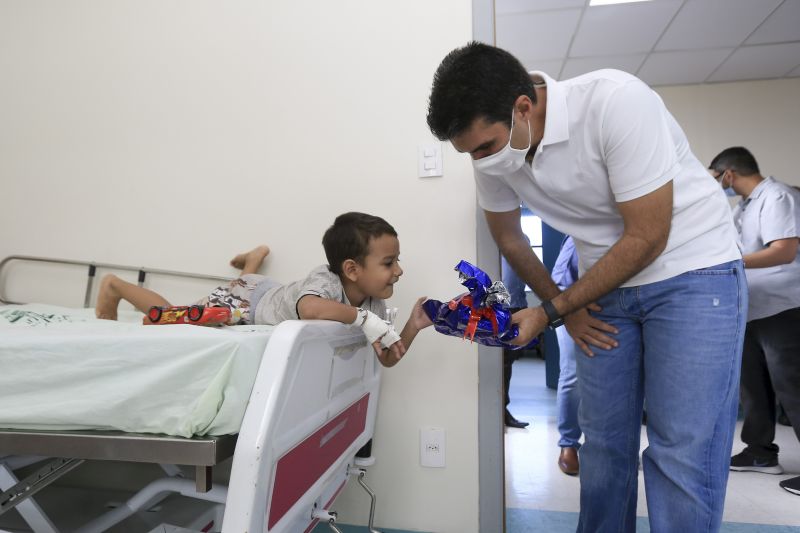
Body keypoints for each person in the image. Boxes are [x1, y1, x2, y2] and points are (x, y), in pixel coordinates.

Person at [427, 42, 745, 532]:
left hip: (693, 275)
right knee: (604, 445)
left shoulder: (615, 102)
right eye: (470, 153)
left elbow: (648, 236)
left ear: (523, 107)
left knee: (681, 450)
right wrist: (562, 307)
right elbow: (509, 237)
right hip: (605, 289)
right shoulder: (496, 154)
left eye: (486, 147)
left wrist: (552, 312)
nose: (482, 162)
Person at [96, 212, 432, 368]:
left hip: (266, 292)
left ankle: (252, 261)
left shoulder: (371, 305)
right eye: (389, 263)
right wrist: (364, 320)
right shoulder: (325, 281)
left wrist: (412, 327)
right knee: (175, 315)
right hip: (244, 299)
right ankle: (116, 286)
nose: (399, 270)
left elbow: (387, 358)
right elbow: (311, 310)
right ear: (351, 270)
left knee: (254, 293)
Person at [709, 147, 800, 496]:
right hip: (752, 309)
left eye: (717, 178)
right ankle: (760, 453)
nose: (717, 185)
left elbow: (784, 251)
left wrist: (731, 263)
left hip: (783, 309)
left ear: (728, 174)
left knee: (793, 388)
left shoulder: (777, 197)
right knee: (753, 387)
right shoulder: (744, 207)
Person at [551, 236, 581, 476]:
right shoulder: (576, 238)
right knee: (573, 373)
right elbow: (559, 283)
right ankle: (568, 444)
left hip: (614, 307)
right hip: (571, 305)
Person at [501, 252, 530, 429]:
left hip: (518, 304)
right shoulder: (494, 236)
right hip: (501, 307)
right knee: (502, 364)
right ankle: (501, 411)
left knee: (507, 363)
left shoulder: (524, 239)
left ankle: (503, 410)